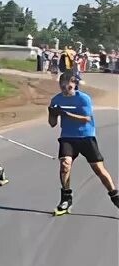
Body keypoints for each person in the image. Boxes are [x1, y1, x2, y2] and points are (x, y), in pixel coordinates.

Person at [47, 72, 119, 215]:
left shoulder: (83, 98)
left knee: (99, 170)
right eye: (61, 85)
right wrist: (53, 113)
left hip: (86, 136)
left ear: (74, 85)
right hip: (68, 137)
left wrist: (66, 114)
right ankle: (66, 198)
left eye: (67, 86)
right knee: (65, 165)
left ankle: (115, 197)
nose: (63, 88)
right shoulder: (56, 99)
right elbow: (52, 124)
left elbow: (86, 118)